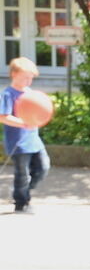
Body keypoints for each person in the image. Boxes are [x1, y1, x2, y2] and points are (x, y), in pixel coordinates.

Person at [0, 57, 50, 214]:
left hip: (34, 140)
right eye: (25, 77)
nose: (29, 81)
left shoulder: (30, 93)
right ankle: (21, 203)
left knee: (43, 168)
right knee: (22, 174)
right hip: (18, 142)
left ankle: (20, 191)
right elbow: (3, 116)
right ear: (14, 74)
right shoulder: (8, 94)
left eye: (31, 78)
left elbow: (38, 112)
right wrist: (23, 123)